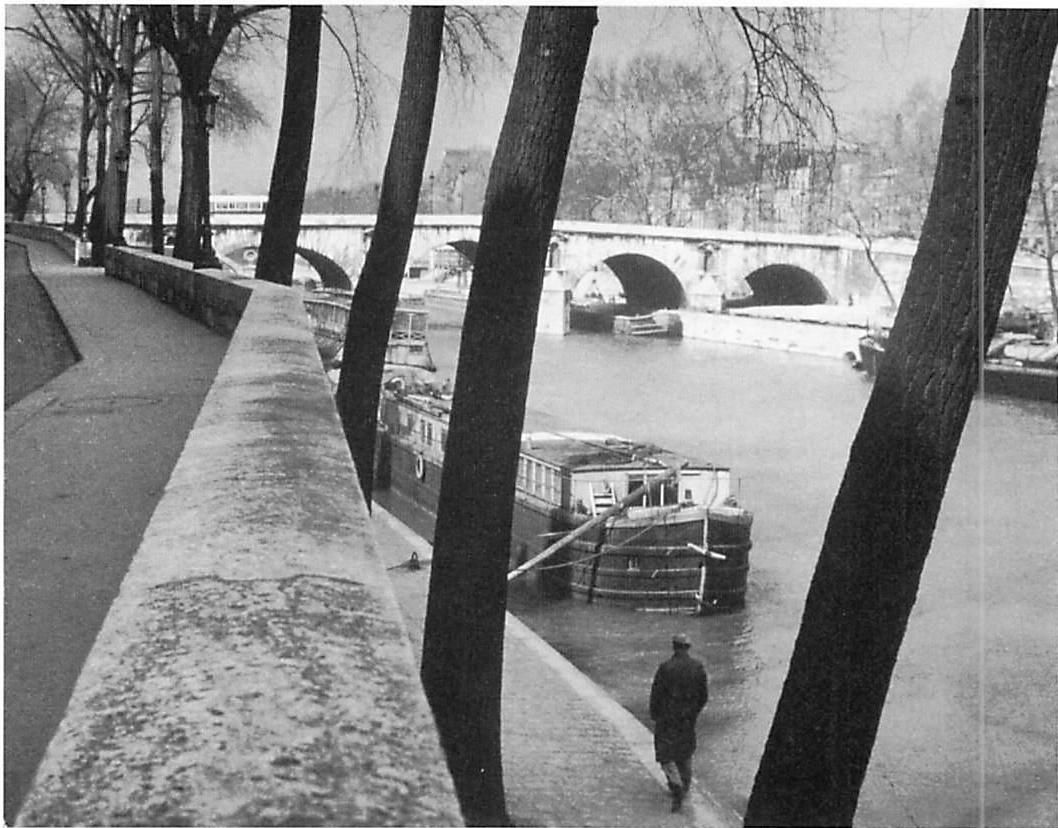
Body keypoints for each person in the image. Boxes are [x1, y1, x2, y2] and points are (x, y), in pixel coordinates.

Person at [649, 632, 709, 812]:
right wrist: (694, 712)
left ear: (674, 647)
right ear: (688, 647)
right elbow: (703, 696)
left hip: (667, 717)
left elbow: (656, 693)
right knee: (685, 752)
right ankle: (685, 785)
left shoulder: (665, 667)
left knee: (665, 753)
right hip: (688, 718)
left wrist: (655, 713)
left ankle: (675, 782)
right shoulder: (698, 667)